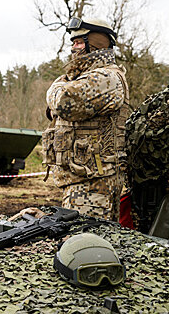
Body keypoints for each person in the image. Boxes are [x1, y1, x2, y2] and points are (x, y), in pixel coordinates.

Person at [42, 17, 130, 221]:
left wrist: (56, 86)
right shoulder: (82, 77)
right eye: (73, 43)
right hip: (82, 180)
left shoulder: (107, 78)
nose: (74, 48)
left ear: (97, 44)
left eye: (79, 42)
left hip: (94, 186)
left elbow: (64, 102)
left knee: (85, 248)